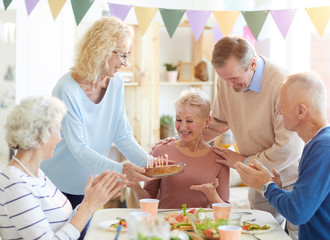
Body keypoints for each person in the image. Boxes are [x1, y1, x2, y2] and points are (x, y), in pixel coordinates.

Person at [40, 17, 152, 211]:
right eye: (122, 55)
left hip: (89, 185)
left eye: (128, 55)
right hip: (56, 185)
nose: (125, 63)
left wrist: (153, 164)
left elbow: (123, 136)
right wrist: (121, 170)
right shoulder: (66, 89)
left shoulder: (116, 83)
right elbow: (79, 147)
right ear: (103, 51)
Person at [236, 71, 330, 239]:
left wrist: (265, 186)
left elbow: (298, 213)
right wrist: (276, 188)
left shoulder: (327, 147)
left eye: (283, 105)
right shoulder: (320, 143)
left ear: (301, 111)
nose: (279, 111)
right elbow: (304, 204)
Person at [204, 36, 304, 238]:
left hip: (292, 176)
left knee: (296, 236)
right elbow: (220, 121)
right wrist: (186, 139)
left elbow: (289, 149)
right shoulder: (226, 79)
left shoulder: (282, 84)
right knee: (259, 234)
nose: (229, 85)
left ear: (252, 63)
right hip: (257, 176)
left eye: (233, 79)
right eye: (224, 79)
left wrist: (243, 162)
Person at [0, 96, 127, 240]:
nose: (60, 138)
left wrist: (89, 200)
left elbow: (64, 222)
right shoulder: (15, 183)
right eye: (58, 130)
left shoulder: (36, 174)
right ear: (43, 132)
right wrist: (88, 206)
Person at [130, 88, 229, 208]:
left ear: (206, 121)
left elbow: (225, 210)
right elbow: (149, 198)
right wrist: (134, 186)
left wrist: (213, 196)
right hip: (166, 224)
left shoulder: (219, 159)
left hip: (200, 225)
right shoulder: (161, 151)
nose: (182, 127)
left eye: (189, 121)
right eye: (178, 120)